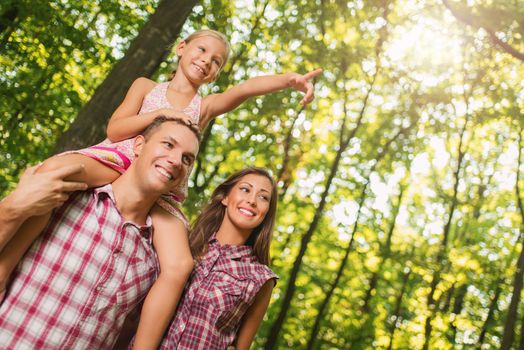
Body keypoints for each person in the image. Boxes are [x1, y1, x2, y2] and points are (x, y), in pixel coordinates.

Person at [0, 28, 321, 349]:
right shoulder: (147, 87)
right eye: (202, 51)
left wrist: (288, 81)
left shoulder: (203, 106)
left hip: (164, 190)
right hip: (117, 158)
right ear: (181, 48)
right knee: (56, 173)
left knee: (180, 263)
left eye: (216, 62)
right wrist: (160, 115)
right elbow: (115, 128)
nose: (206, 61)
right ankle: (4, 268)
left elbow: (245, 90)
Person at [0, 116, 200, 349]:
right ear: (139, 146)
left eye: (187, 159)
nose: (176, 160)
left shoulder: (155, 259)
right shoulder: (64, 195)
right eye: (168, 144)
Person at [156, 167, 278, 349]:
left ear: (267, 212)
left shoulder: (261, 279)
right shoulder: (183, 243)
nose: (252, 201)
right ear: (225, 197)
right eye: (245, 189)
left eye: (263, 197)